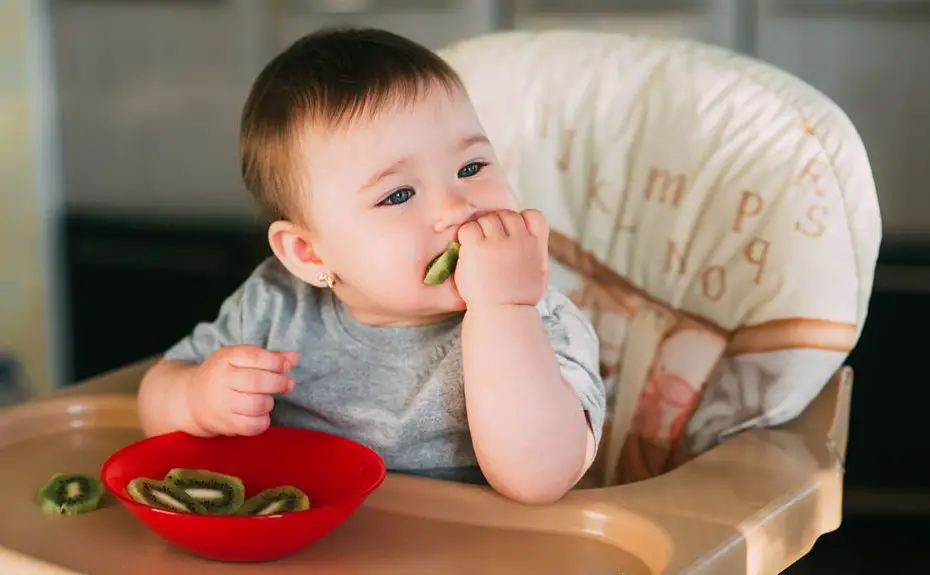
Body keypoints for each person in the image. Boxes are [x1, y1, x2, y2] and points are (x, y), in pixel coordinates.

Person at [137, 27, 606, 504]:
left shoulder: (538, 321)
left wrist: (503, 308)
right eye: (398, 194)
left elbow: (540, 479)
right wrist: (199, 398)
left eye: (471, 168)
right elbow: (155, 393)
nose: (456, 207)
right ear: (309, 254)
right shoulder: (275, 307)